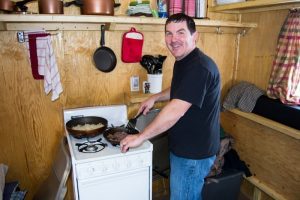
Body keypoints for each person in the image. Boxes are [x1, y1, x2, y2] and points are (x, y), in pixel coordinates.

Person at [120, 13, 221, 200]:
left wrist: (140, 137)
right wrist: (155, 97)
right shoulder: (184, 60)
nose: (174, 39)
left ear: (195, 36)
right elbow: (180, 89)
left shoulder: (199, 67)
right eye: (169, 33)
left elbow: (175, 111)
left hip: (193, 154)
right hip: (186, 148)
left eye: (180, 33)